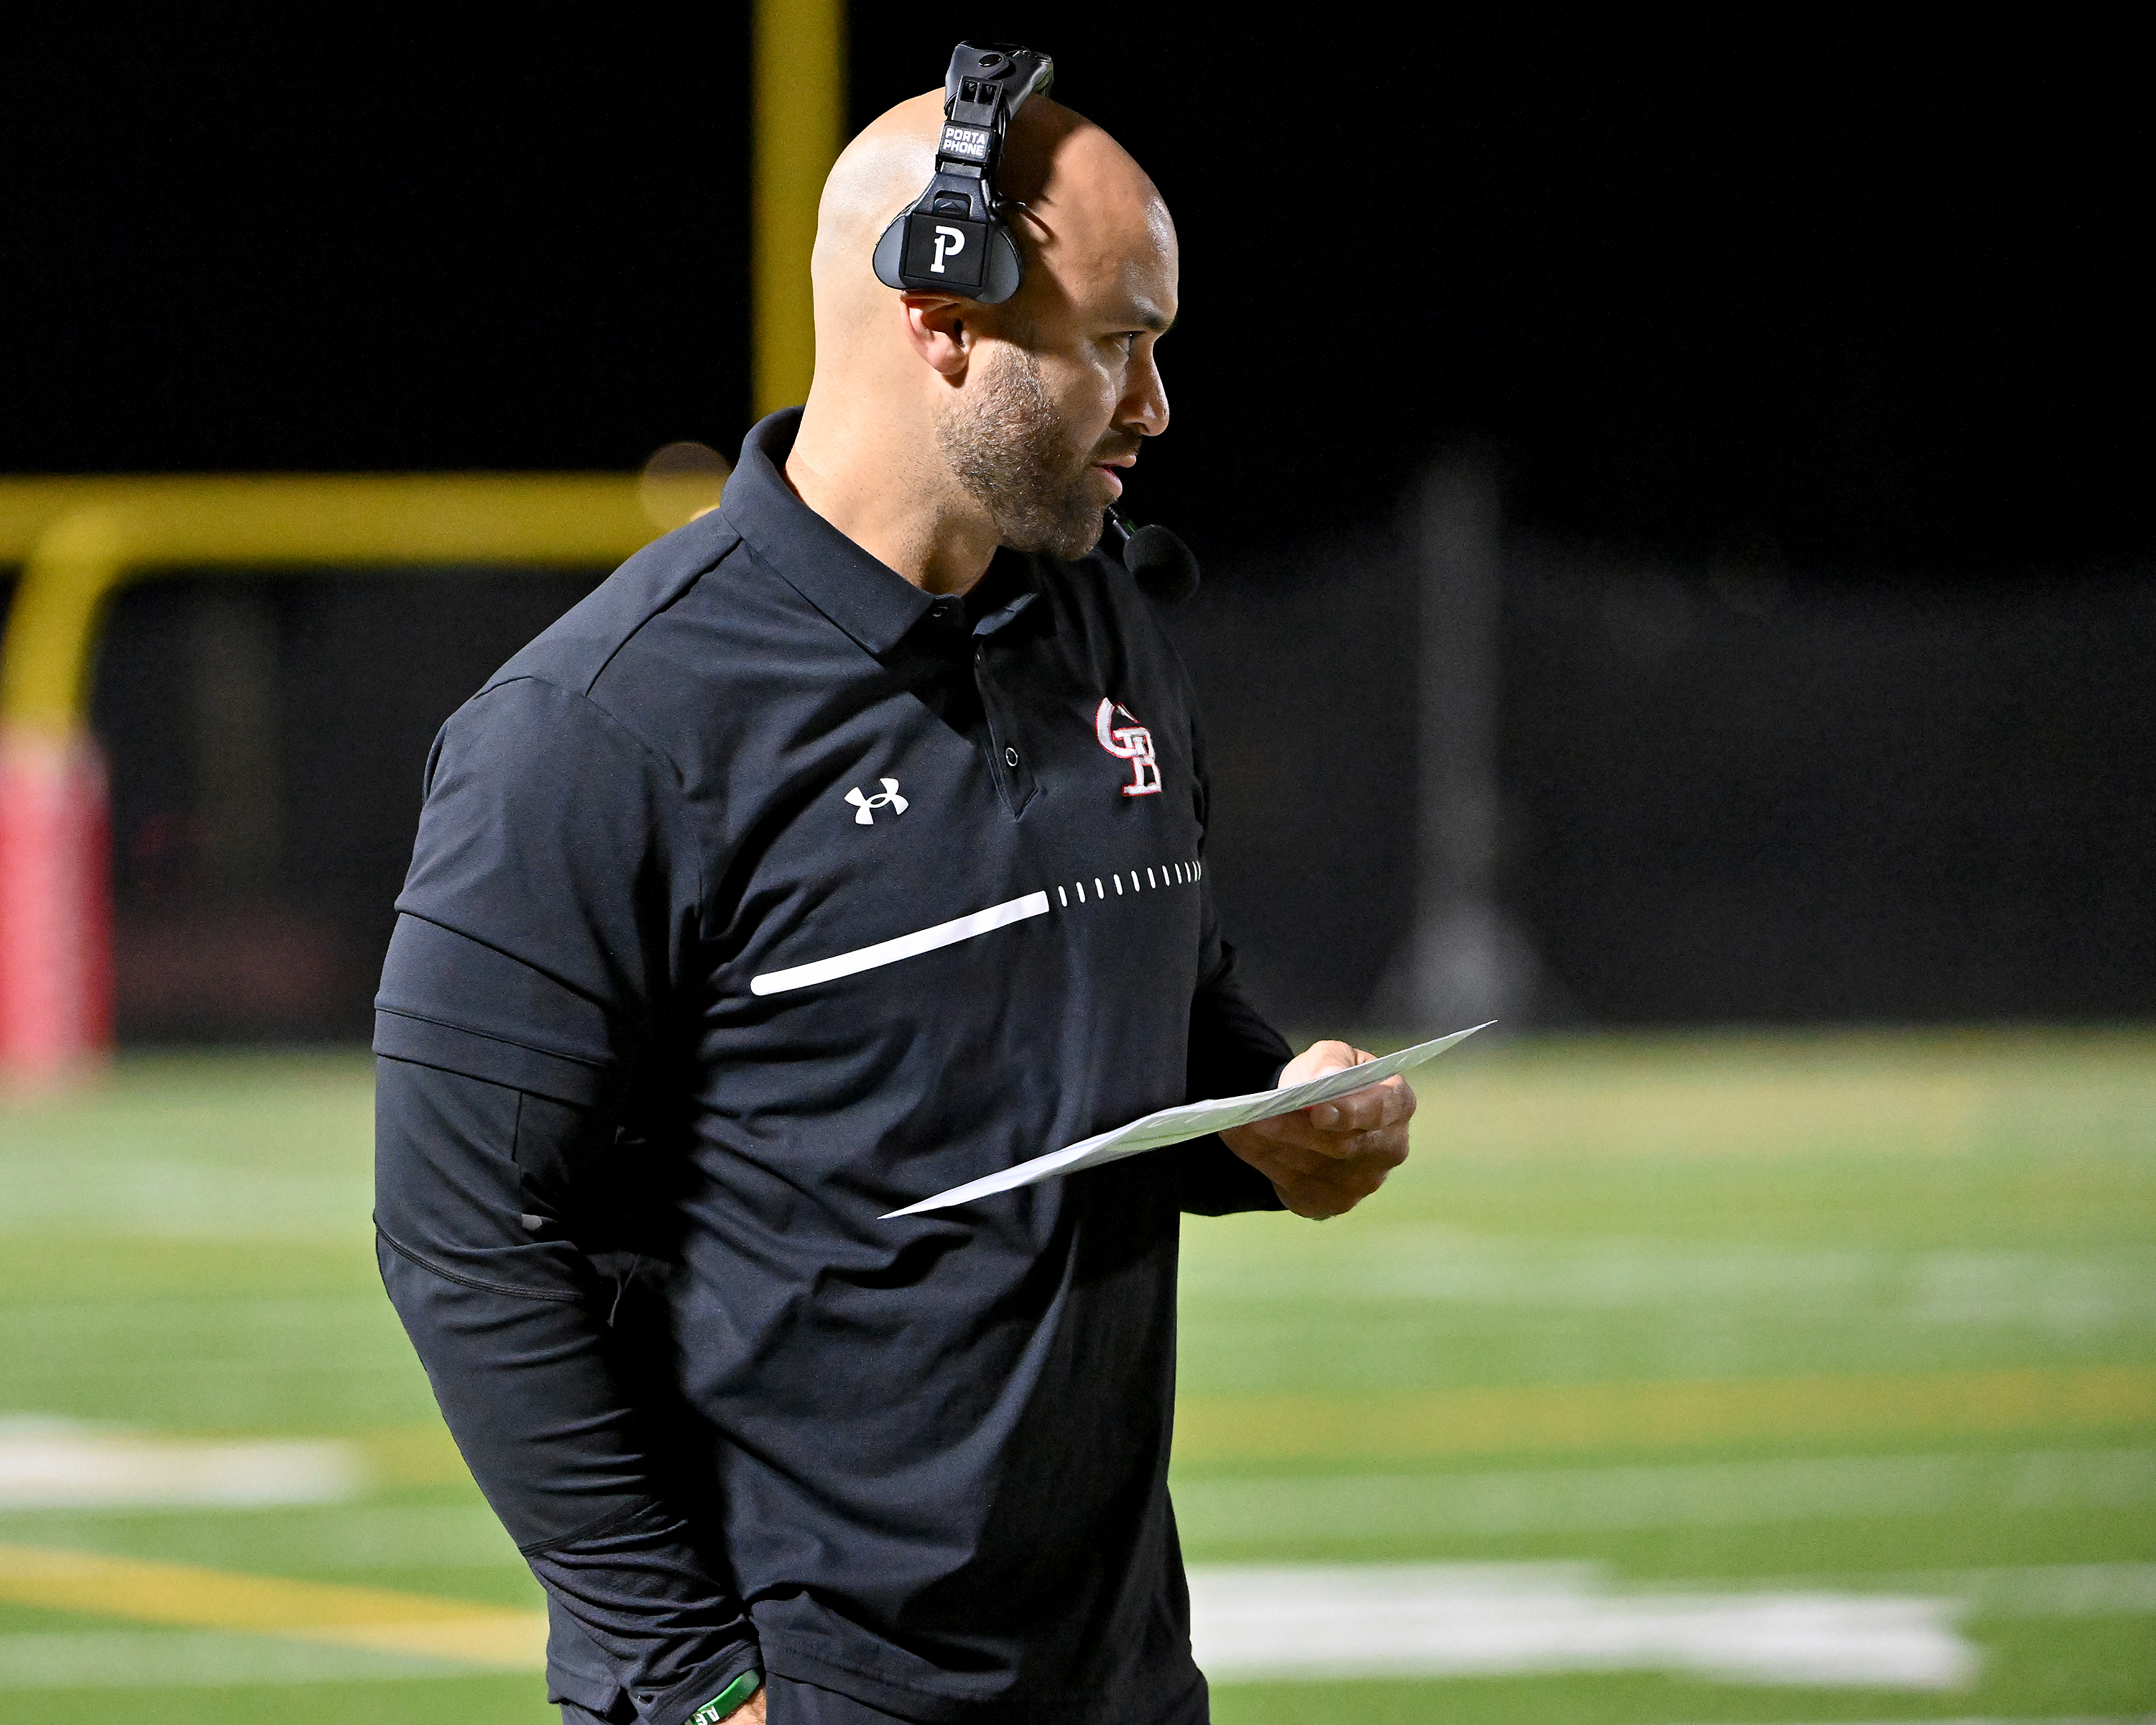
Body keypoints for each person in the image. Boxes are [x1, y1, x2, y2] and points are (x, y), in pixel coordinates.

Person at [373, 72, 1416, 1725]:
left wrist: (1269, 1114)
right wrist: (693, 1680)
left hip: (1120, 1672)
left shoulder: (1110, 623)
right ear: (940, 317)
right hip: (799, 1689)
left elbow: (1154, 1005)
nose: (1154, 404)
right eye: (1114, 343)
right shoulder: (596, 732)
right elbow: (469, 1241)